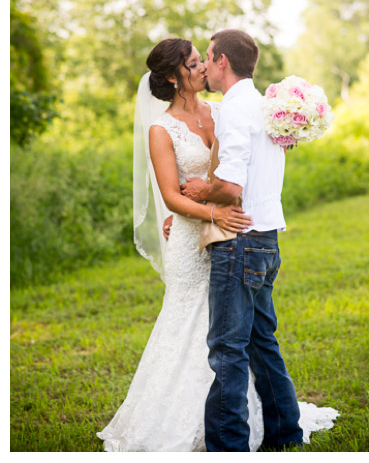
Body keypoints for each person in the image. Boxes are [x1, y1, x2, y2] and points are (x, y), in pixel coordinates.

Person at [100, 35, 337, 452]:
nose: (203, 68)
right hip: (197, 238)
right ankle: (200, 425)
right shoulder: (161, 128)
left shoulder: (223, 110)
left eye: (203, 60)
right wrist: (207, 211)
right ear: (175, 78)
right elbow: (172, 194)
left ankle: (246, 433)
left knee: (235, 339)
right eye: (194, 65)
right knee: (211, 334)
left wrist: (209, 198)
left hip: (235, 233)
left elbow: (239, 168)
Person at [178, 29, 336, 451]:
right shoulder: (266, 106)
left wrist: (199, 190)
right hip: (267, 239)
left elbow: (230, 185)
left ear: (223, 61)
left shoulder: (234, 109)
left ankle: (229, 448)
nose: (205, 67)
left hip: (239, 241)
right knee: (262, 341)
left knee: (228, 350)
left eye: (208, 59)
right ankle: (285, 433)